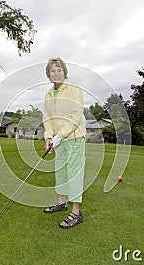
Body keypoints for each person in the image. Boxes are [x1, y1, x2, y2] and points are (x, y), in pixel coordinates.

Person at [42, 57, 86, 229]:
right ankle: (61, 202)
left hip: (74, 137)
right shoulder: (48, 95)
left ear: (64, 72)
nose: (56, 73)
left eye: (59, 70)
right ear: (48, 74)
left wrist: (59, 135)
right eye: (53, 70)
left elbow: (76, 115)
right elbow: (48, 118)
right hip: (58, 140)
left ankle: (76, 212)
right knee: (60, 171)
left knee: (74, 173)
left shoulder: (73, 89)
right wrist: (48, 137)